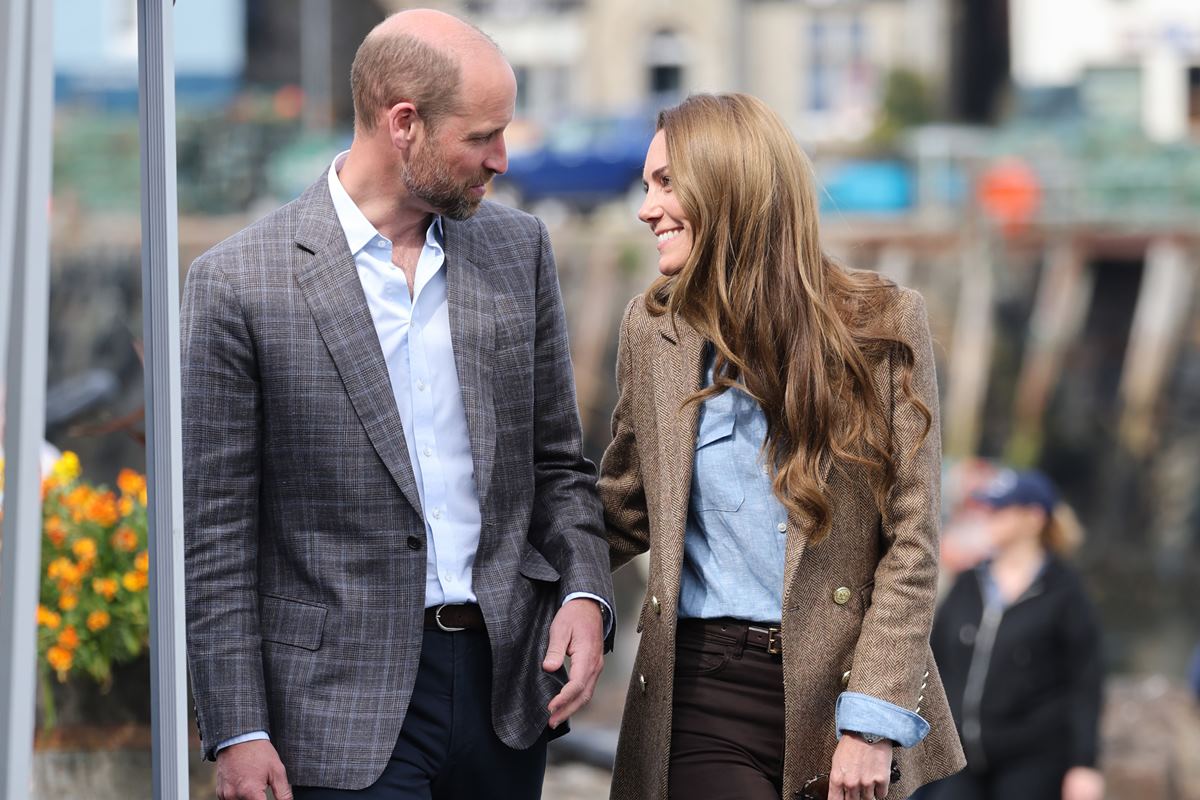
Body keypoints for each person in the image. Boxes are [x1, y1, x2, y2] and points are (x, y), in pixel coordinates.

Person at [181, 10, 614, 800]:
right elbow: (214, 533)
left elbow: (560, 465)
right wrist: (237, 729)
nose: (502, 158)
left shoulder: (521, 251)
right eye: (482, 135)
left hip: (503, 698)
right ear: (404, 123)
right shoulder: (238, 284)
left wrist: (585, 594)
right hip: (332, 710)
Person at [598, 92, 965, 800]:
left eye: (666, 182)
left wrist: (871, 723)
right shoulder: (654, 331)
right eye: (647, 186)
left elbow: (912, 541)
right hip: (699, 691)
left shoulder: (884, 324)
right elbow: (623, 507)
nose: (645, 209)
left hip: (841, 692)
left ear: (730, 184)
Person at [924, 469, 1105, 800]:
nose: (988, 517)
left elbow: (1086, 683)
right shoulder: (967, 584)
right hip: (960, 761)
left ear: (1034, 518)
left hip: (1034, 763)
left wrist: (1084, 764)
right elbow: (933, 661)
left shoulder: (1066, 593)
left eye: (1000, 509)